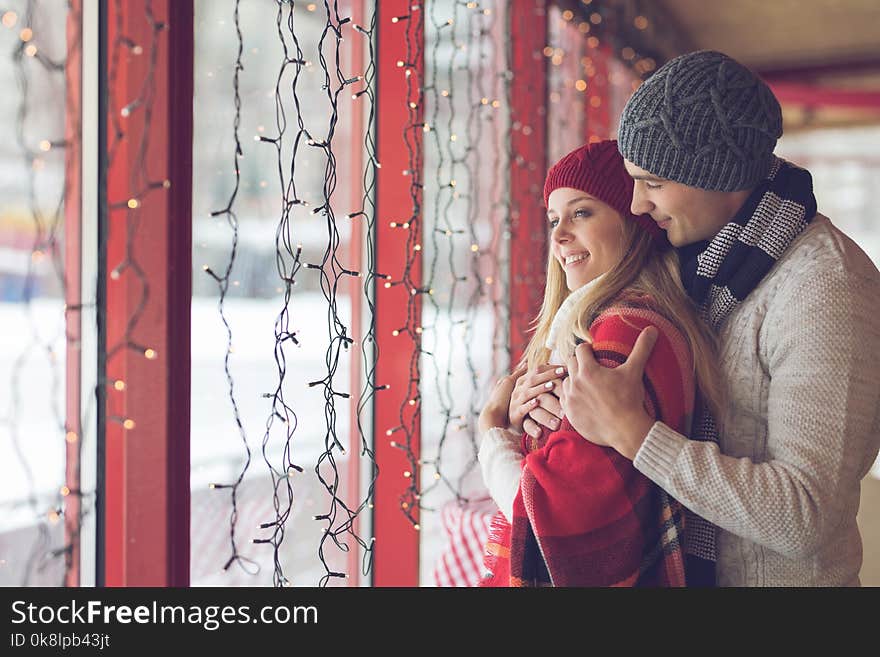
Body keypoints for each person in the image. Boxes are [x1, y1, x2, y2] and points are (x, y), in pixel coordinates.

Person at [543, 50, 880, 586]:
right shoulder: (700, 267)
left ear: (718, 175)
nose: (635, 205)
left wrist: (634, 433)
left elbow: (805, 516)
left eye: (652, 182)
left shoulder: (823, 285)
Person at [476, 138, 723, 586]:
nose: (558, 235)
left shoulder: (620, 335)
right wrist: (521, 428)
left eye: (582, 212)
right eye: (554, 219)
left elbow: (559, 528)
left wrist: (492, 434)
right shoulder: (602, 326)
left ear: (634, 221)